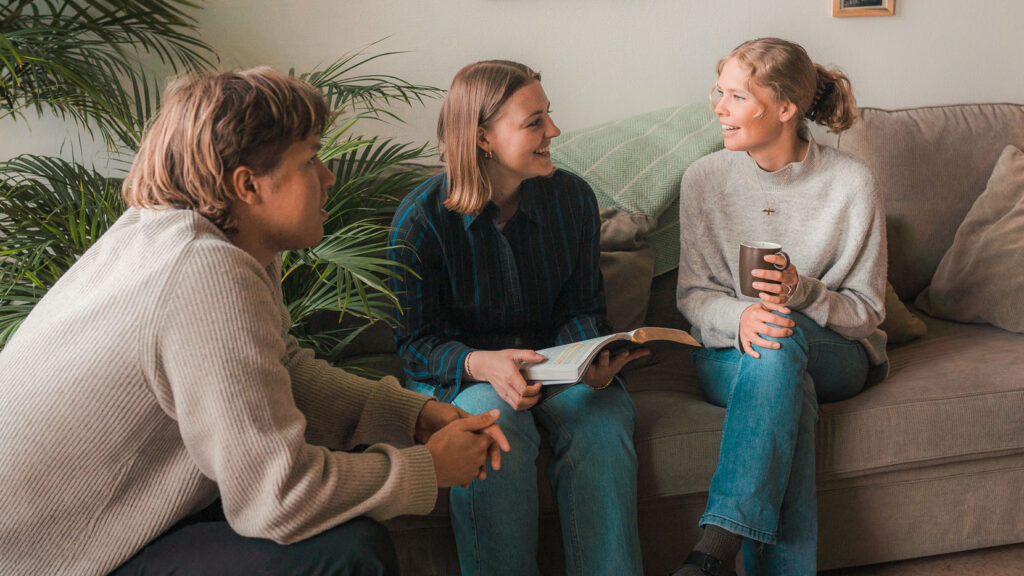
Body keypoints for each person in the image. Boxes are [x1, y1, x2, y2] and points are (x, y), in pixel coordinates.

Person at [0, 67, 511, 576]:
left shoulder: (178, 237)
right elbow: (277, 497)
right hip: (44, 562)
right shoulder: (204, 272)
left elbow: (282, 366)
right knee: (346, 556)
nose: (329, 176)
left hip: (73, 538)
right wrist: (427, 469)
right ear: (248, 185)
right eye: (311, 159)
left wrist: (412, 414)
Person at [387, 60, 649, 576]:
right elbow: (414, 342)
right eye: (535, 122)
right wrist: (481, 364)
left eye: (548, 115)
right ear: (483, 138)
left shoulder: (572, 198)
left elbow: (581, 308)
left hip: (552, 364)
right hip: (464, 375)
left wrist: (586, 359)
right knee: (494, 424)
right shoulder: (422, 221)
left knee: (603, 415)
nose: (554, 130)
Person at [672, 38, 888, 576]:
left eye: (737, 97)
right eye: (718, 93)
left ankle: (716, 543)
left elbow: (867, 311)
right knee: (787, 380)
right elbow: (693, 296)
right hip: (728, 352)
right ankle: (718, 554)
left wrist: (802, 292)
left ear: (786, 108)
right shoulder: (703, 180)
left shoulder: (851, 183)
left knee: (781, 338)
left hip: (836, 350)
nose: (719, 109)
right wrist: (741, 316)